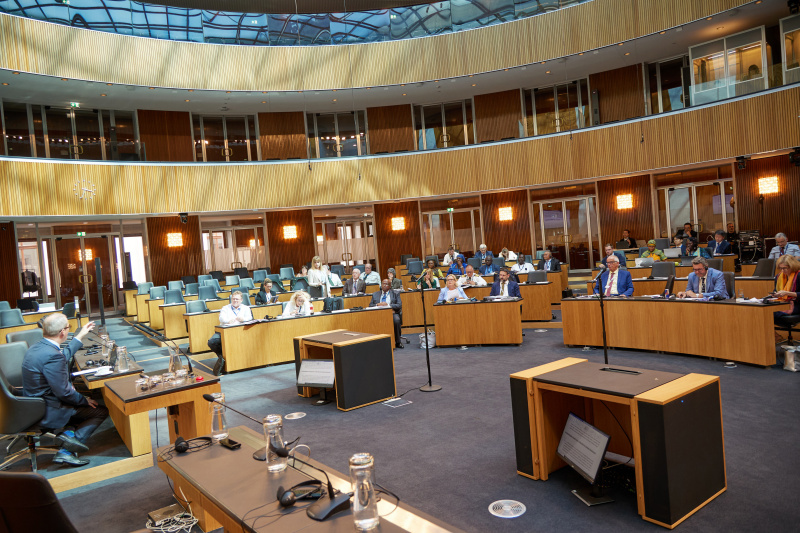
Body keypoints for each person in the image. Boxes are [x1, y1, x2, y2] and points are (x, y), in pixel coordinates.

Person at [21, 314, 107, 467]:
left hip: (30, 405)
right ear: (62, 332)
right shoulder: (52, 355)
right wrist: (84, 400)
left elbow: (62, 356)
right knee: (99, 410)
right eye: (68, 328)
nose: (69, 330)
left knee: (79, 407)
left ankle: (67, 434)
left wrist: (79, 336)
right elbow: (64, 393)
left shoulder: (38, 347)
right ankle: (66, 451)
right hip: (46, 409)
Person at [208, 290, 253, 375]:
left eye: (237, 299)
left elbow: (250, 318)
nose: (235, 301)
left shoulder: (246, 308)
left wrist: (243, 319)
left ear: (241, 300)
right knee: (212, 342)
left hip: (240, 332)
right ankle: (222, 358)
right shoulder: (225, 308)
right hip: (224, 331)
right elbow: (221, 318)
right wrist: (228, 321)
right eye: (233, 299)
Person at [369, 279, 403, 348]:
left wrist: (388, 305)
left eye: (386, 284)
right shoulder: (375, 294)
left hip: (391, 313)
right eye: (383, 283)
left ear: (390, 286)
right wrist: (378, 304)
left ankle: (398, 342)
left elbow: (399, 305)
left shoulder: (395, 293)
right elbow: (370, 306)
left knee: (396, 320)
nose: (384, 285)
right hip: (378, 314)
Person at [772, 255, 800, 334]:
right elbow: (775, 290)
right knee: (764, 312)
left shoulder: (799, 275)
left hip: (797, 304)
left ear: (792, 266)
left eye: (785, 268)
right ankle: (775, 335)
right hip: (783, 303)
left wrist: (787, 293)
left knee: (770, 313)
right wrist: (775, 294)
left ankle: (776, 336)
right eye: (780, 268)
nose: (782, 270)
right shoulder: (778, 276)